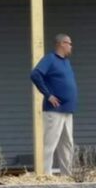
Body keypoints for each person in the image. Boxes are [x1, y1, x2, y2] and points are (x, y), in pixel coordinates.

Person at [30, 33, 77, 175]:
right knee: (50, 143)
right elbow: (35, 74)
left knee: (67, 144)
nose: (71, 46)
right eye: (69, 43)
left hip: (67, 110)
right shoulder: (50, 59)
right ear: (62, 43)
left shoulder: (66, 62)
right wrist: (48, 95)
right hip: (54, 110)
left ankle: (67, 174)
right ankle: (45, 174)